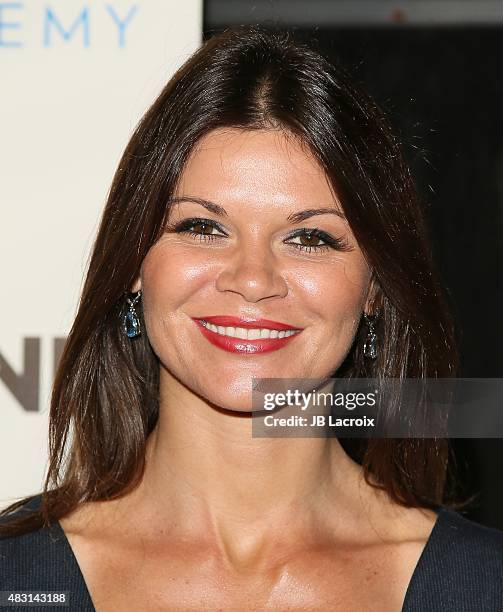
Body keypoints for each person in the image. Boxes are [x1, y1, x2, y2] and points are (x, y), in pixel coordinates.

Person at [1, 25, 502, 612]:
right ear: (136, 263)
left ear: (375, 287)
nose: (253, 278)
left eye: (310, 237)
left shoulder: (484, 586)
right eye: (203, 228)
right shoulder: (17, 580)